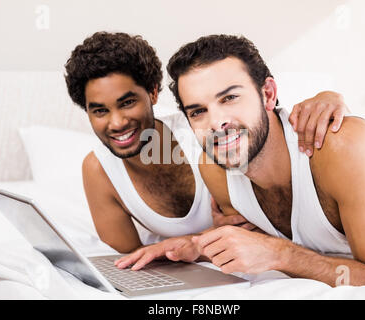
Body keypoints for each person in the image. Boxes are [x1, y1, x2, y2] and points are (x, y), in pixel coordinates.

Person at [64, 32, 349, 270]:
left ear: (152, 93)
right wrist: (205, 239)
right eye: (99, 110)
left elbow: (267, 126)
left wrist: (329, 98)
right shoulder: (99, 171)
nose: (117, 122)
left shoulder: (205, 130)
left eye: (127, 103)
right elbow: (134, 263)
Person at [156, 34, 365, 290]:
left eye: (230, 98)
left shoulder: (343, 147)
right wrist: (196, 245)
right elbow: (255, 243)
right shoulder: (213, 168)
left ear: (269, 94)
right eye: (198, 111)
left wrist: (281, 254)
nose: (216, 123)